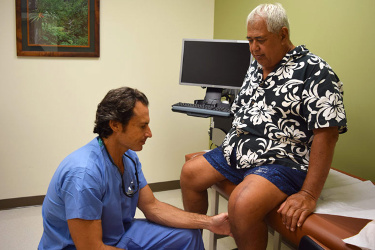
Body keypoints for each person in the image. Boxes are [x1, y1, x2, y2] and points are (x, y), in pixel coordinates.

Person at [180, 3, 347, 249]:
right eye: (249, 40)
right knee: (189, 174)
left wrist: (309, 195)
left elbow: (327, 134)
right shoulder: (256, 66)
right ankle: (194, 245)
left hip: (283, 160)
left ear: (283, 35)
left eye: (260, 40)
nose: (254, 48)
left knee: (241, 203)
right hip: (240, 152)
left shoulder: (315, 71)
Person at [38, 87, 231, 250]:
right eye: (142, 126)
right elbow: (92, 248)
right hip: (83, 246)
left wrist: (209, 222)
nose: (149, 133)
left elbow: (153, 207)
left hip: (118, 234)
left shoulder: (128, 156)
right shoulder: (84, 175)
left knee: (190, 236)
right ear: (115, 125)